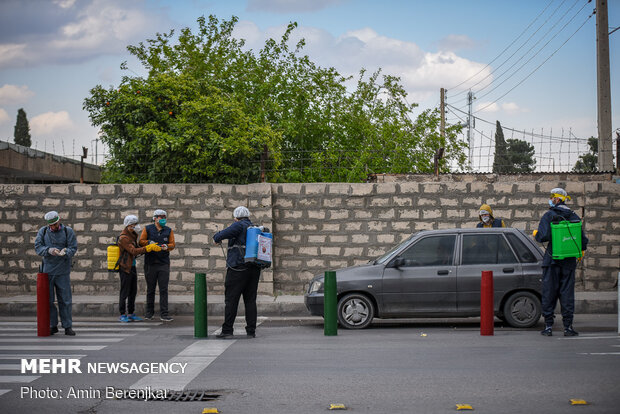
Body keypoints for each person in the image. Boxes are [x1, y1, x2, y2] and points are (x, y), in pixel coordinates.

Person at [534, 187, 588, 337]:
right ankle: (568, 327)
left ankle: (549, 327)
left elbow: (542, 236)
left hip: (552, 261)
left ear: (558, 199)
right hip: (569, 262)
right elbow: (583, 242)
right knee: (567, 295)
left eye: (552, 197)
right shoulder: (574, 217)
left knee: (549, 293)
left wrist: (536, 235)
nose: (550, 199)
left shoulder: (549, 215)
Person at [213, 206, 261, 339]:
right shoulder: (254, 227)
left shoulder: (238, 225)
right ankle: (251, 331)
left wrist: (216, 237)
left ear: (236, 217)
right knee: (250, 300)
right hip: (254, 268)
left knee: (231, 300)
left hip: (238, 268)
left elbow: (219, 236)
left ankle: (227, 329)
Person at [34, 211, 78, 336]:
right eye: (51, 225)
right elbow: (38, 247)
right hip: (47, 271)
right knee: (48, 300)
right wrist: (48, 250)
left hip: (63, 270)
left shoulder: (67, 231)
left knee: (65, 300)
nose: (53, 227)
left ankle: (67, 326)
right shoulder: (43, 232)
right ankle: (52, 325)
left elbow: (73, 247)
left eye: (55, 224)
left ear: (59, 221)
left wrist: (66, 251)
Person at [117, 215, 161, 323]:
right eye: (134, 224)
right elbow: (133, 251)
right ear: (129, 226)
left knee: (133, 291)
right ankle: (122, 314)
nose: (136, 226)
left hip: (132, 266)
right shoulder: (123, 238)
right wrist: (147, 248)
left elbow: (136, 248)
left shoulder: (132, 235)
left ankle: (131, 313)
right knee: (124, 291)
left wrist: (148, 245)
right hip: (125, 267)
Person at [139, 209, 175, 322]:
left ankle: (164, 314)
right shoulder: (148, 229)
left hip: (163, 263)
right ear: (155, 218)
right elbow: (141, 241)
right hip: (150, 263)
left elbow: (172, 244)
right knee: (151, 289)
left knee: (163, 289)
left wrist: (167, 246)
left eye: (165, 217)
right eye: (161, 217)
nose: (163, 219)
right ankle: (149, 313)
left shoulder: (168, 230)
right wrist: (149, 243)